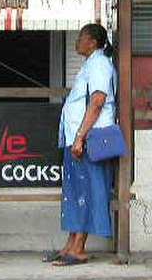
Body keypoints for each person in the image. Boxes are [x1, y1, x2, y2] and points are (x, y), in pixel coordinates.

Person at [45, 23, 117, 266]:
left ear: (93, 42)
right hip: (79, 137)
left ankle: (79, 248)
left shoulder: (99, 64)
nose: (77, 41)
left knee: (86, 192)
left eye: (81, 37)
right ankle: (70, 244)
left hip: (89, 138)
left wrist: (80, 137)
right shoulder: (90, 64)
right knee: (75, 193)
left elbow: (97, 101)